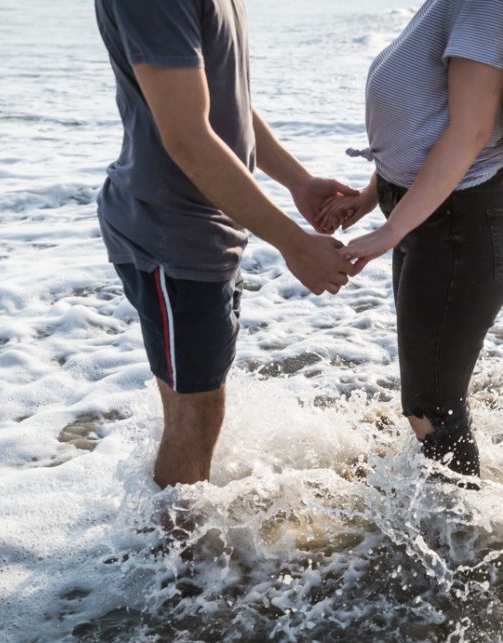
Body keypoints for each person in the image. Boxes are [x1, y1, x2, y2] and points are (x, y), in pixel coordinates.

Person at [319, 0, 503, 482]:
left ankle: (458, 539)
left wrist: (392, 228)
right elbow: (426, 120)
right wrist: (370, 196)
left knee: (432, 408)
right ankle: (441, 521)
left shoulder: (487, 5)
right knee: (429, 402)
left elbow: (469, 133)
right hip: (438, 218)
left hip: (462, 228)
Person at [94, 0, 357, 489]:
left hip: (208, 226)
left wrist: (297, 181)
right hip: (171, 233)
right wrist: (293, 243)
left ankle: (173, 549)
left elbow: (223, 97)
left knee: (197, 408)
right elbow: (188, 137)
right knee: (193, 418)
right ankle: (178, 562)